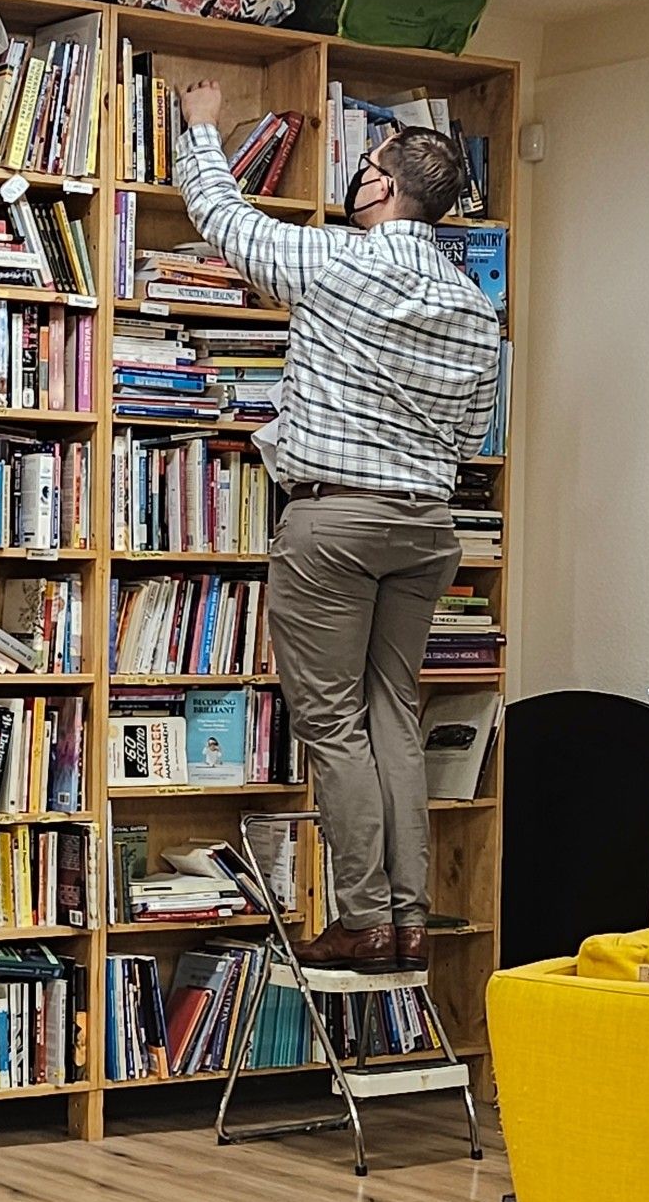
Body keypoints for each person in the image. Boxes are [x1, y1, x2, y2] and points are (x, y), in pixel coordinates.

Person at [176, 81, 501, 974]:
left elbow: (225, 220)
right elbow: (471, 431)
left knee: (332, 722)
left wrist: (201, 128)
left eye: (364, 169)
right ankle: (406, 920)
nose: (357, 181)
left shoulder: (340, 262)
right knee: (392, 713)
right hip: (428, 528)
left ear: (384, 188)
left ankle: (362, 918)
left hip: (336, 522)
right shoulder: (475, 306)